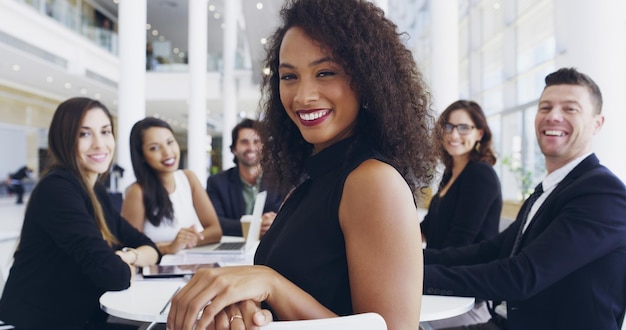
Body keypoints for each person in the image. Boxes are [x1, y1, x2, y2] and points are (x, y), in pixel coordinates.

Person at [167, 0, 437, 329]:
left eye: (325, 73)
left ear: (367, 78)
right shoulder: (314, 177)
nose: (303, 96)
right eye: (289, 76)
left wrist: (271, 283)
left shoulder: (372, 180)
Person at [423, 68, 626, 330]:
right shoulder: (551, 187)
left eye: (570, 109)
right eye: (545, 107)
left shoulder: (604, 194)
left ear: (597, 123)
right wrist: (411, 261)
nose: (553, 116)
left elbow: (522, 276)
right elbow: (491, 251)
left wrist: (414, 276)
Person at [0, 97, 160, 329]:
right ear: (64, 140)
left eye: (105, 132)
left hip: (76, 319)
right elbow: (114, 276)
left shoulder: (96, 191)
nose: (99, 144)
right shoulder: (57, 190)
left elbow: (150, 248)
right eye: (84, 134)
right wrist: (125, 265)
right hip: (32, 324)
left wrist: (127, 257)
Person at [421, 100, 502, 328]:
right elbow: (427, 228)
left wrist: (417, 265)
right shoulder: (450, 174)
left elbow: (460, 242)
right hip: (441, 280)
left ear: (479, 134)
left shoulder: (480, 174)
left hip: (467, 296)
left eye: (463, 127)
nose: (453, 134)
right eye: (447, 127)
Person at [121, 117, 222, 255]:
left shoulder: (188, 178)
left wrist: (185, 241)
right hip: (156, 271)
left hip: (187, 264)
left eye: (170, 142)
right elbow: (129, 250)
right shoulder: (137, 192)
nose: (167, 152)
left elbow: (215, 231)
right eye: (154, 148)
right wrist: (169, 247)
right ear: (142, 155)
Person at [206, 118, 286, 237]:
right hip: (233, 248)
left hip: (272, 245)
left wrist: (273, 223)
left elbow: (288, 216)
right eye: (244, 142)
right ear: (234, 148)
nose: (251, 148)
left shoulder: (282, 179)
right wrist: (254, 228)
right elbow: (215, 222)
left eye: (256, 141)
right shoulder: (217, 182)